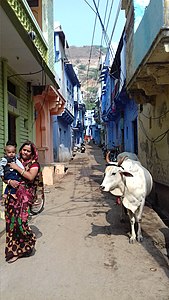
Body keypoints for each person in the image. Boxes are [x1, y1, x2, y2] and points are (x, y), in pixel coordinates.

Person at [4, 140, 41, 263]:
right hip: (12, 195)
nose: (25, 152)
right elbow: (4, 175)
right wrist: (9, 182)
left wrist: (16, 168)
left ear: (32, 153)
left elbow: (30, 176)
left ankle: (28, 243)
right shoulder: (14, 160)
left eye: (28, 150)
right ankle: (13, 251)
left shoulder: (34, 164)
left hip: (25, 197)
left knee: (21, 222)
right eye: (24, 150)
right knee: (11, 223)